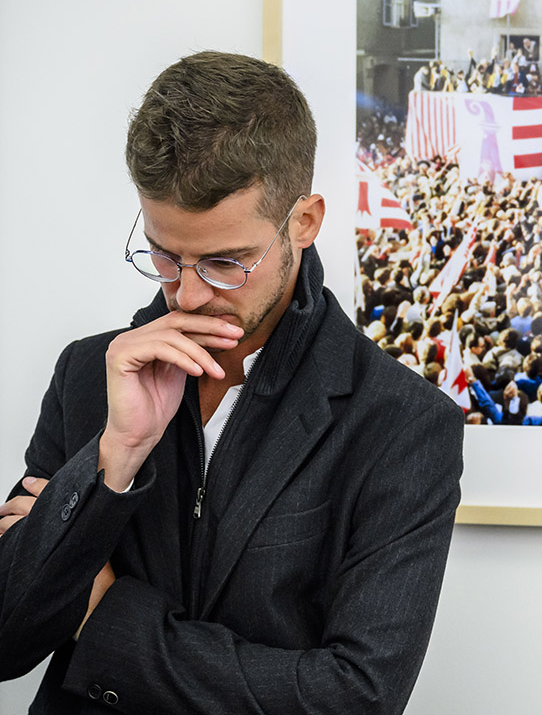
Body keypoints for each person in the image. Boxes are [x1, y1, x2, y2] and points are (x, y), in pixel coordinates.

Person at [0, 52, 464, 711]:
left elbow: (355, 698)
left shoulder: (403, 424)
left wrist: (104, 618)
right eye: (164, 255)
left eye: (225, 263)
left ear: (302, 223)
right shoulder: (87, 374)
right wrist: (112, 463)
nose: (186, 295)